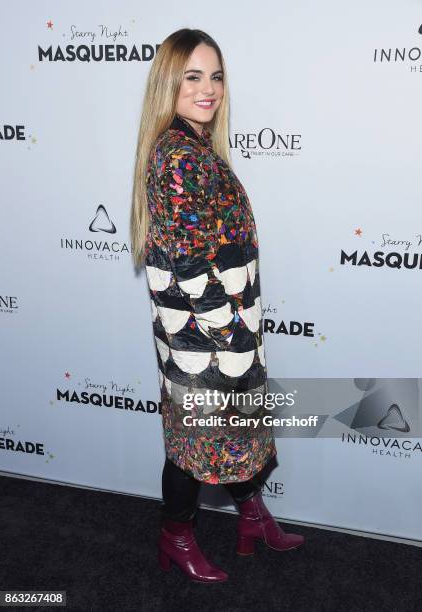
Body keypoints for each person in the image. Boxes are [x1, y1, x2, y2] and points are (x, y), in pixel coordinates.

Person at [130, 28, 304, 583]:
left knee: (231, 437)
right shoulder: (179, 157)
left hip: (223, 332)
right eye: (193, 77)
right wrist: (230, 340)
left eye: (217, 76)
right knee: (194, 447)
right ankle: (175, 537)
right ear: (168, 83)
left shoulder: (194, 145)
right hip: (204, 339)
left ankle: (251, 518)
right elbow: (190, 267)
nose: (209, 89)